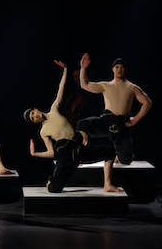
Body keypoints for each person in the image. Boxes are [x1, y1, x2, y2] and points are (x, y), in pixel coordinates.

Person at [24, 60, 119, 193]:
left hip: (78, 148)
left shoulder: (54, 110)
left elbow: (61, 88)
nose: (35, 116)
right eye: (33, 118)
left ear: (36, 110)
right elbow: (52, 153)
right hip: (65, 153)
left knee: (110, 151)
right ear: (35, 122)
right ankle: (53, 180)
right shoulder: (43, 131)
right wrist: (35, 154)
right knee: (54, 189)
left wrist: (65, 70)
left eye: (33, 113)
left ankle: (107, 185)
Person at [78, 53, 152, 165]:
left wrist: (135, 119)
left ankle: (118, 155)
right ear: (113, 69)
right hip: (107, 120)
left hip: (122, 123)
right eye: (117, 67)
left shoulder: (132, 87)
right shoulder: (105, 85)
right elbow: (84, 84)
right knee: (82, 125)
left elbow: (147, 103)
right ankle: (78, 154)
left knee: (126, 159)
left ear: (125, 69)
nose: (119, 69)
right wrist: (83, 68)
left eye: (122, 67)